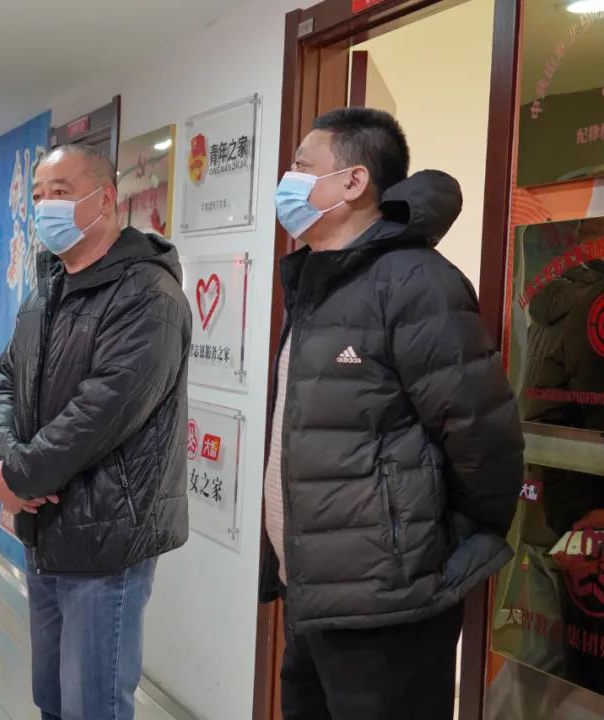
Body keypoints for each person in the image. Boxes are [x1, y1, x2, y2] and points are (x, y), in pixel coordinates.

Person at [261, 107, 524, 719]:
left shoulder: (415, 282)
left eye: (302, 166)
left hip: (390, 610)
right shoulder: (318, 281)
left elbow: (484, 439)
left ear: (354, 181)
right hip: (313, 595)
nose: (288, 182)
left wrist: (432, 553)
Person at [0, 144, 191, 720]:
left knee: (92, 704)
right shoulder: (46, 290)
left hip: (106, 535)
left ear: (105, 200)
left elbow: (101, 411)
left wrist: (19, 476)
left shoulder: (148, 294)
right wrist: (7, 462)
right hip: (45, 527)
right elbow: (5, 380)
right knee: (52, 699)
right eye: (38, 195)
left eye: (61, 192)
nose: (46, 205)